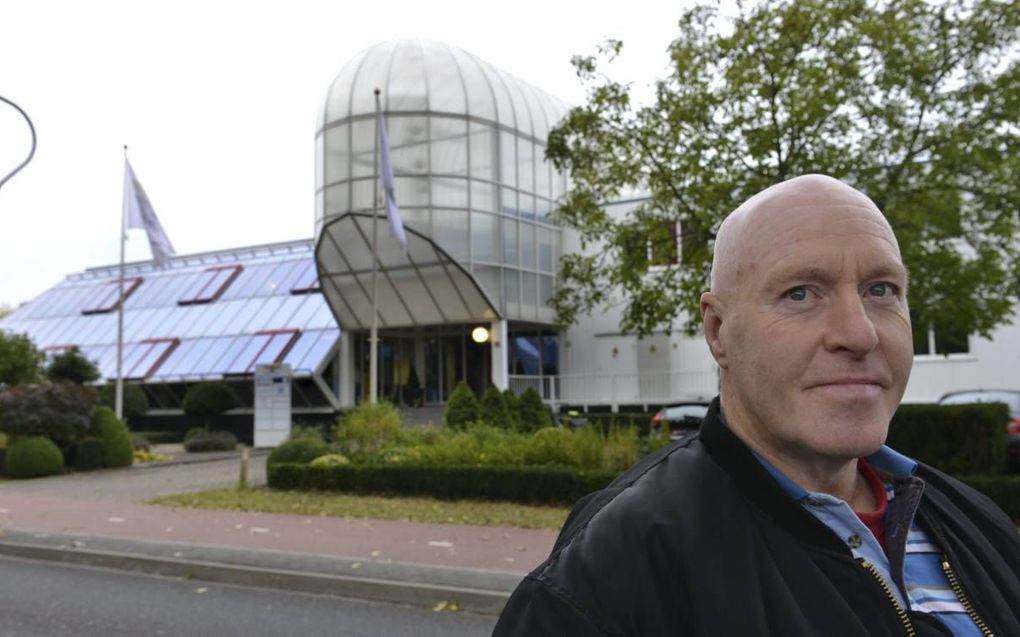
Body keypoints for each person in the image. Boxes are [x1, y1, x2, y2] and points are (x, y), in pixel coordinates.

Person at [493, 175, 1020, 636]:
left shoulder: (975, 522)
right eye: (800, 294)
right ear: (718, 331)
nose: (859, 334)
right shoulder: (614, 571)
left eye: (881, 289)